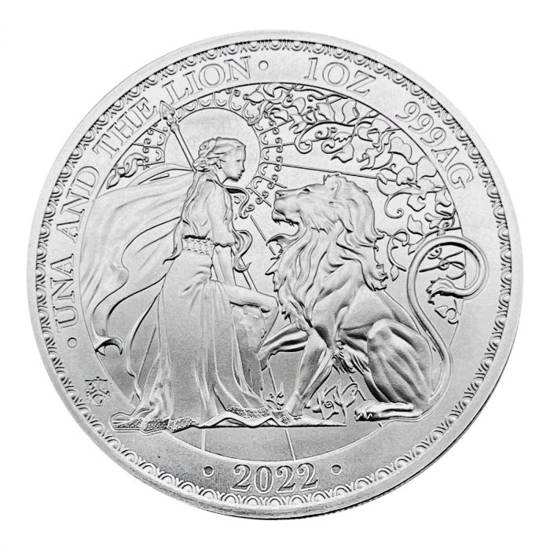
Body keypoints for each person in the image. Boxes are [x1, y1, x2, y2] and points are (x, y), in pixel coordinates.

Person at [80, 137, 278, 431]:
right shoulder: (214, 191)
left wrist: (228, 288)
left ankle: (182, 407)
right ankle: (196, 405)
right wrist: (230, 262)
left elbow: (216, 250)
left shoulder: (199, 188)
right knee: (264, 306)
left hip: (185, 278)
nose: (243, 167)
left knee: (185, 350)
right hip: (191, 281)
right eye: (238, 161)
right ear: (220, 161)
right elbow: (221, 241)